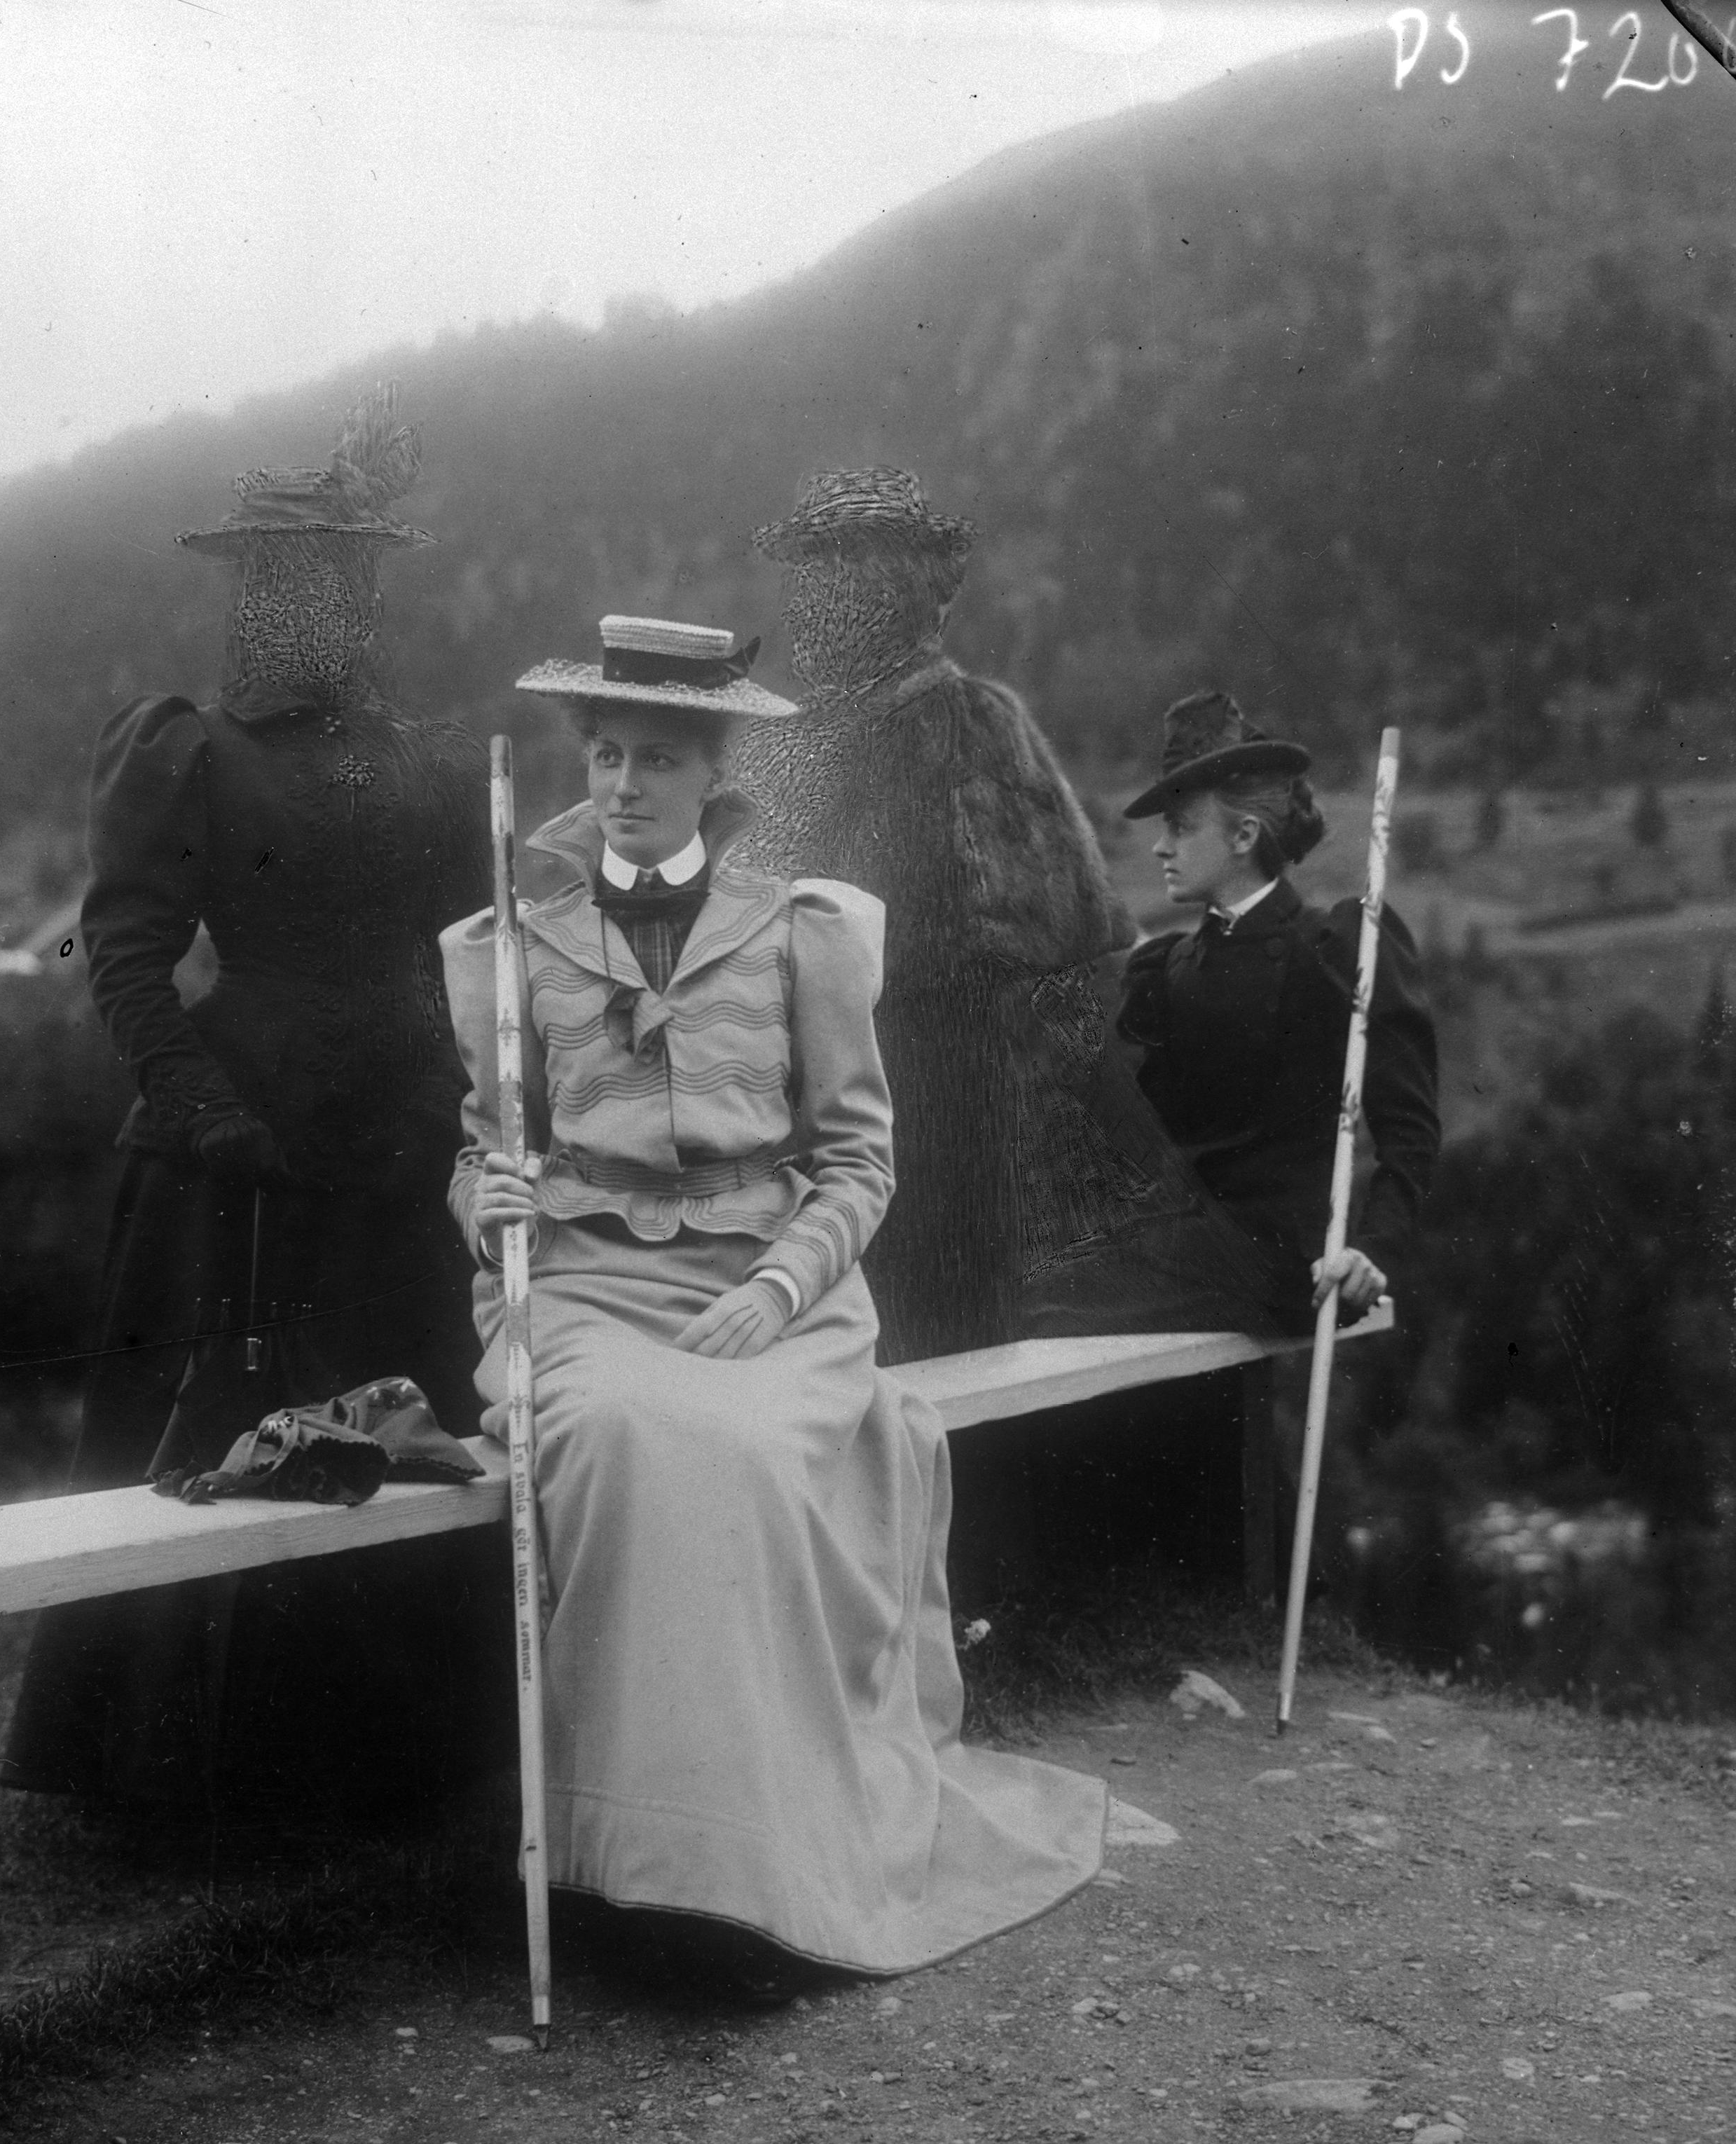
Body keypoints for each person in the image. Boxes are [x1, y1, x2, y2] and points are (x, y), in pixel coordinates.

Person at [440, 613, 1106, 1984]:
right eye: (609, 754)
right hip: (585, 1292)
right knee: (619, 1434)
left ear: (712, 776)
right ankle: (627, 1866)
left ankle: (750, 1873)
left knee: (743, 1453)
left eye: (659, 758)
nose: (626, 783)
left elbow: (859, 1163)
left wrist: (778, 1282)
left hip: (773, 1301)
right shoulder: (524, 946)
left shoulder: (799, 933)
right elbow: (485, 1148)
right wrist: (485, 1195)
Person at [0, 389, 500, 1836]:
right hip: (242, 1165)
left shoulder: (429, 759)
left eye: (347, 576)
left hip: (410, 1143)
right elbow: (126, 951)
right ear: (252, 589)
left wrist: (460, 1094)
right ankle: (177, 1778)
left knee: (421, 1421)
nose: (323, 601)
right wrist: (206, 1103)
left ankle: (403, 1766)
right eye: (293, 576)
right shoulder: (189, 751)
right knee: (222, 1435)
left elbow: (472, 949)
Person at [736, 469, 1281, 1361]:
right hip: (811, 1101)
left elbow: (1045, 943)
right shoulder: (792, 742)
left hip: (953, 1121)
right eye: (799, 576)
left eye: (825, 575)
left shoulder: (966, 721)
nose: (799, 605)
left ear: (888, 592)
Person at [1114, 691, 1441, 1330]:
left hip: (1284, 1271)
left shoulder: (1336, 949)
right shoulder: (1165, 972)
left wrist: (1372, 1251)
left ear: (1244, 835)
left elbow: (1409, 1132)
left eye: (1181, 827)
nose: (1160, 848)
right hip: (1179, 1261)